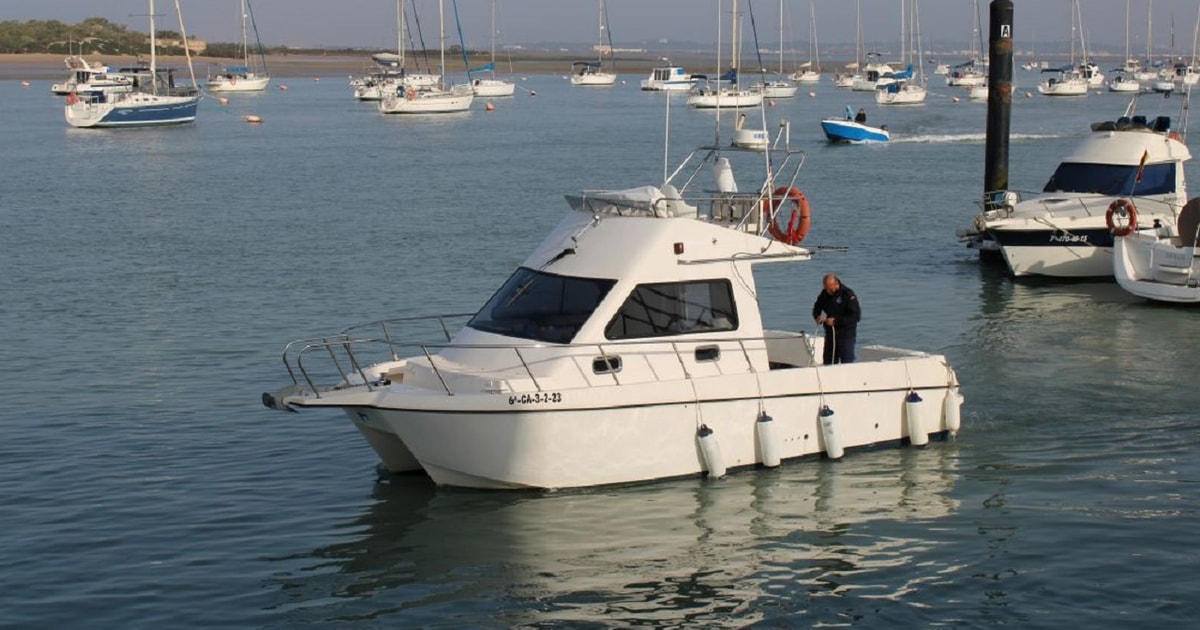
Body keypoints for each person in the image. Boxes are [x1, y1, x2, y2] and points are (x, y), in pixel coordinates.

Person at [812, 273, 861, 365]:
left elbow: (856, 316)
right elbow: (817, 307)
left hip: (846, 334)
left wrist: (836, 321)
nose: (828, 291)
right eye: (826, 288)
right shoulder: (824, 293)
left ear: (836, 284)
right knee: (828, 362)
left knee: (846, 363)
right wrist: (817, 316)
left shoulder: (847, 295)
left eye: (830, 288)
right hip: (831, 334)